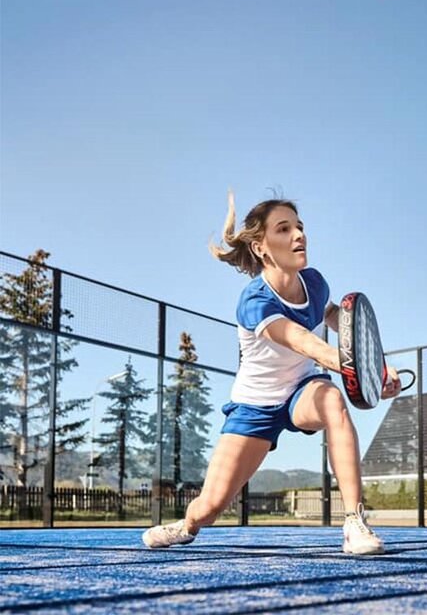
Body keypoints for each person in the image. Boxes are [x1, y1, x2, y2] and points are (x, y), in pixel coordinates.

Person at [142, 191, 400, 555]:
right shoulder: (254, 301)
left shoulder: (314, 282)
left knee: (332, 401)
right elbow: (301, 341)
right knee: (210, 508)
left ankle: (354, 522)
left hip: (302, 390)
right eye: (284, 229)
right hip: (254, 407)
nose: (299, 235)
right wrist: (360, 366)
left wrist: (377, 366)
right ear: (262, 247)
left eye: (300, 227)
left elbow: (334, 317)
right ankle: (186, 525)